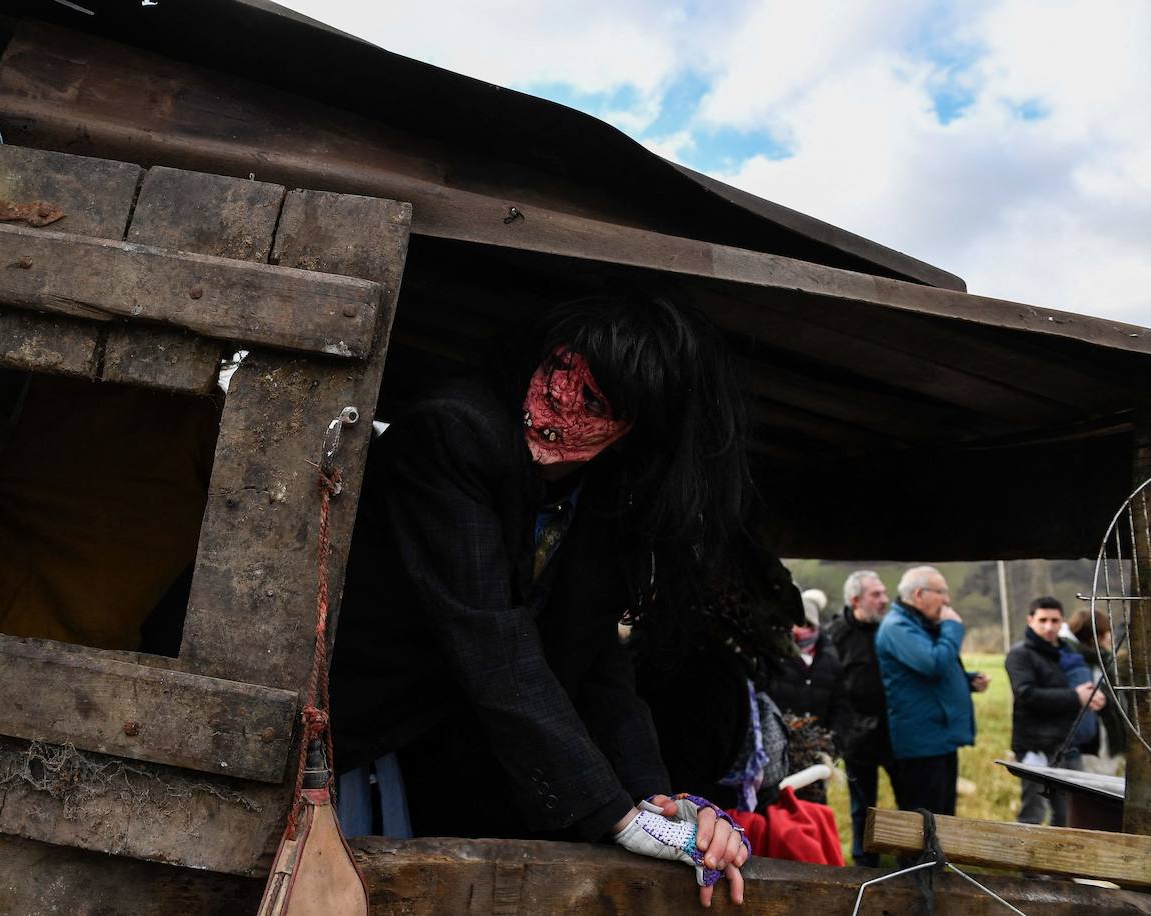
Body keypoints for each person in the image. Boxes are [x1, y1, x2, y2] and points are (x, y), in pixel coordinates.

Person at [329, 292, 792, 907]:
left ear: (633, 430)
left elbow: (596, 658)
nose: (556, 406)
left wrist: (658, 803)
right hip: (341, 723)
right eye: (557, 374)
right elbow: (494, 642)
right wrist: (614, 816)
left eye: (595, 402)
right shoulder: (454, 431)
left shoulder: (598, 497)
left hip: (416, 751)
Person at [875, 566, 989, 816]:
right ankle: (920, 858)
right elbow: (933, 664)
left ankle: (937, 857)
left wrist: (967, 681)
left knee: (943, 817)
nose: (947, 600)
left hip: (939, 739)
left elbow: (929, 671)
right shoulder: (897, 627)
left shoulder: (921, 624)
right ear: (918, 595)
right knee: (924, 821)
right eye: (941, 592)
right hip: (921, 744)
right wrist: (953, 628)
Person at [1005, 597, 1107, 825]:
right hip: (1035, 747)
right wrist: (1076, 697)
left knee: (1068, 816)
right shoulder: (1020, 654)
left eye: (1055, 620)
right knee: (1032, 814)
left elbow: (1080, 684)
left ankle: (1059, 861)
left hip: (1069, 745)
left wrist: (1092, 697)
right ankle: (1023, 860)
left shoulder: (1067, 651)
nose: (1049, 626)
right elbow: (1027, 694)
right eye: (1043, 620)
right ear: (1030, 620)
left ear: (1062, 622)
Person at [823, 569, 897, 866]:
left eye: (884, 593)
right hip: (857, 738)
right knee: (863, 806)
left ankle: (913, 860)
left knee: (911, 804)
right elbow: (829, 685)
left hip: (896, 733)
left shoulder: (892, 629)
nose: (885, 600)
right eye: (876, 594)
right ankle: (865, 864)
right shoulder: (835, 635)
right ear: (855, 599)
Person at [764, 592, 848, 801]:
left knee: (813, 814)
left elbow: (842, 708)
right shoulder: (773, 657)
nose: (796, 629)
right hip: (777, 758)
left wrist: (831, 747)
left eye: (803, 623)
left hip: (816, 757)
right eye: (792, 623)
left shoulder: (830, 660)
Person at [1067, 607, 1128, 770]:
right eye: (1108, 632)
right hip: (1093, 741)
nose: (1111, 637)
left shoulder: (1101, 660)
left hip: (1104, 738)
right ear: (1097, 636)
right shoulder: (1084, 664)